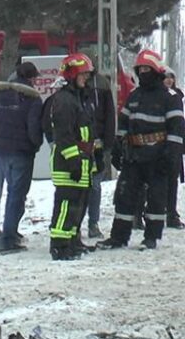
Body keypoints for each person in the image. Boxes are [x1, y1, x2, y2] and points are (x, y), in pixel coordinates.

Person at [97, 49, 185, 250]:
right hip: (134, 156)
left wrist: (170, 156)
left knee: (156, 199)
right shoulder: (135, 95)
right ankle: (119, 237)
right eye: (141, 69)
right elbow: (124, 123)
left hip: (157, 156)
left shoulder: (170, 97)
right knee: (124, 196)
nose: (143, 72)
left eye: (147, 68)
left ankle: (151, 237)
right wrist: (118, 147)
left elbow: (177, 129)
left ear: (156, 71)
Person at [0, 61, 43, 254]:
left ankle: (10, 232)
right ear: (31, 78)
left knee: (10, 195)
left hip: (2, 153)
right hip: (22, 154)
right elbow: (34, 129)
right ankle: (8, 239)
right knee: (17, 195)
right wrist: (35, 145)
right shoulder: (32, 100)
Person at [46, 54, 96, 261]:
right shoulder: (65, 100)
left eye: (87, 74)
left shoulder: (79, 98)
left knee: (79, 204)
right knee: (67, 203)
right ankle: (59, 245)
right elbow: (64, 135)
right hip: (68, 162)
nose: (86, 78)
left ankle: (73, 240)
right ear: (72, 74)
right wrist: (73, 160)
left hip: (81, 159)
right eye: (82, 74)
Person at [84, 72, 117, 238]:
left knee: (95, 186)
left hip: (97, 145)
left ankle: (93, 223)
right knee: (83, 187)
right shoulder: (71, 87)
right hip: (81, 146)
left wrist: (108, 143)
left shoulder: (101, 84)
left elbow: (110, 114)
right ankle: (78, 224)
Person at [163, 68, 184, 228]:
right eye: (166, 77)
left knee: (172, 180)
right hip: (161, 144)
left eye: (171, 77)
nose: (169, 80)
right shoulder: (162, 96)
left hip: (175, 145)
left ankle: (171, 212)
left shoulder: (177, 96)